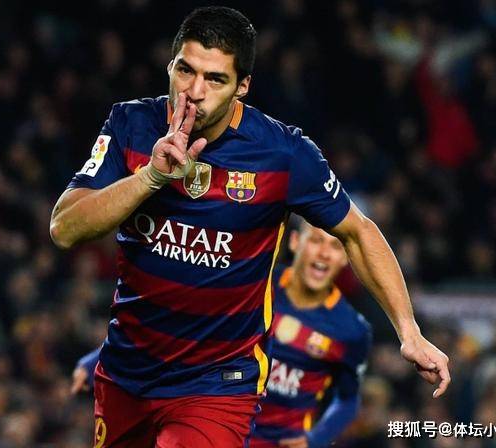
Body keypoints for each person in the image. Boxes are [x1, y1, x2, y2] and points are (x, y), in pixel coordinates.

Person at [50, 6, 450, 447]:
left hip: (216, 383)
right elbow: (65, 228)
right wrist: (149, 178)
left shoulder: (283, 154)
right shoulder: (131, 124)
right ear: (170, 66)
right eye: (185, 70)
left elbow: (358, 232)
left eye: (215, 79)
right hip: (126, 372)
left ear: (242, 86)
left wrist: (409, 332)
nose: (194, 91)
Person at [73, 220, 372, 448]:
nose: (324, 253)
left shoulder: (351, 330)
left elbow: (348, 400)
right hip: (214, 421)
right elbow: (187, 327)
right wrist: (97, 358)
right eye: (316, 240)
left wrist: (316, 440)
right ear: (295, 241)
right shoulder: (254, 284)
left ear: (346, 258)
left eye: (335, 247)